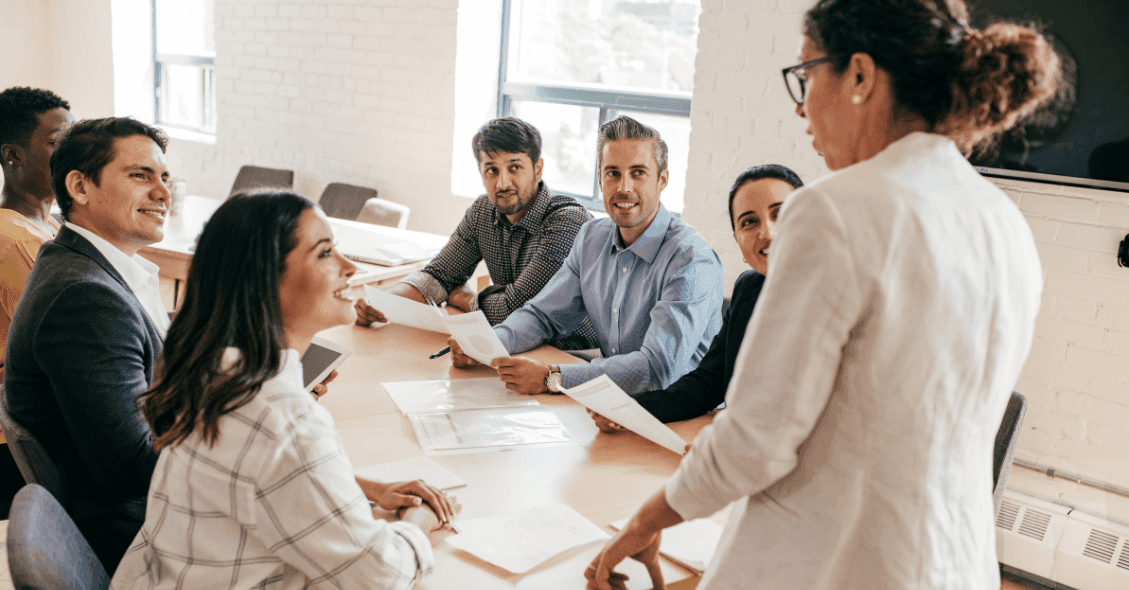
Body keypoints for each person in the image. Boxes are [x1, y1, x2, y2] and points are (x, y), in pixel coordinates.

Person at [586, 1, 1062, 588]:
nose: (801, 103)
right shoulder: (1004, 223)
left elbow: (756, 439)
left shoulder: (836, 209)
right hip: (955, 566)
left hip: (834, 562)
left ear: (859, 75)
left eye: (807, 76)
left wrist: (648, 518)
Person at [113, 191, 455, 589]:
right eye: (326, 253)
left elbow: (257, 478)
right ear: (266, 279)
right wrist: (421, 520)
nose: (350, 267)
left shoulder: (214, 371)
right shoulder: (281, 419)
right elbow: (380, 575)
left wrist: (359, 489)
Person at [4, 117, 173, 573]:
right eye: (140, 175)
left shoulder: (86, 267)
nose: (163, 192)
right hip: (142, 538)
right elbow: (130, 466)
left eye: (164, 177)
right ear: (79, 186)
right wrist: (247, 435)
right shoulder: (86, 297)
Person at [452, 116, 724, 395]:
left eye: (638, 173)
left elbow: (657, 368)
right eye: (613, 173)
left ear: (661, 180)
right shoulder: (591, 237)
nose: (624, 188)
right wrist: (487, 343)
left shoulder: (691, 260)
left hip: (682, 413)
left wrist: (553, 378)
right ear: (600, 179)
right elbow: (543, 315)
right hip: (613, 402)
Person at [589, 165, 802, 432]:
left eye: (780, 213)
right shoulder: (749, 290)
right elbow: (708, 382)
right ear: (739, 242)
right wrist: (632, 409)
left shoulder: (847, 293)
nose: (767, 232)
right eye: (749, 222)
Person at [354, 117, 599, 350]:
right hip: (515, 345)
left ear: (538, 169)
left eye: (515, 167)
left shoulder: (567, 221)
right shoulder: (483, 211)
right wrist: (382, 302)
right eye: (492, 170)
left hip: (575, 353)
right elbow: (438, 275)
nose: (503, 183)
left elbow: (518, 311)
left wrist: (467, 298)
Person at [0, 87, 73, 362]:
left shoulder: (50, 226)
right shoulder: (12, 239)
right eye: (57, 143)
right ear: (13, 155)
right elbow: (64, 338)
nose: (74, 154)